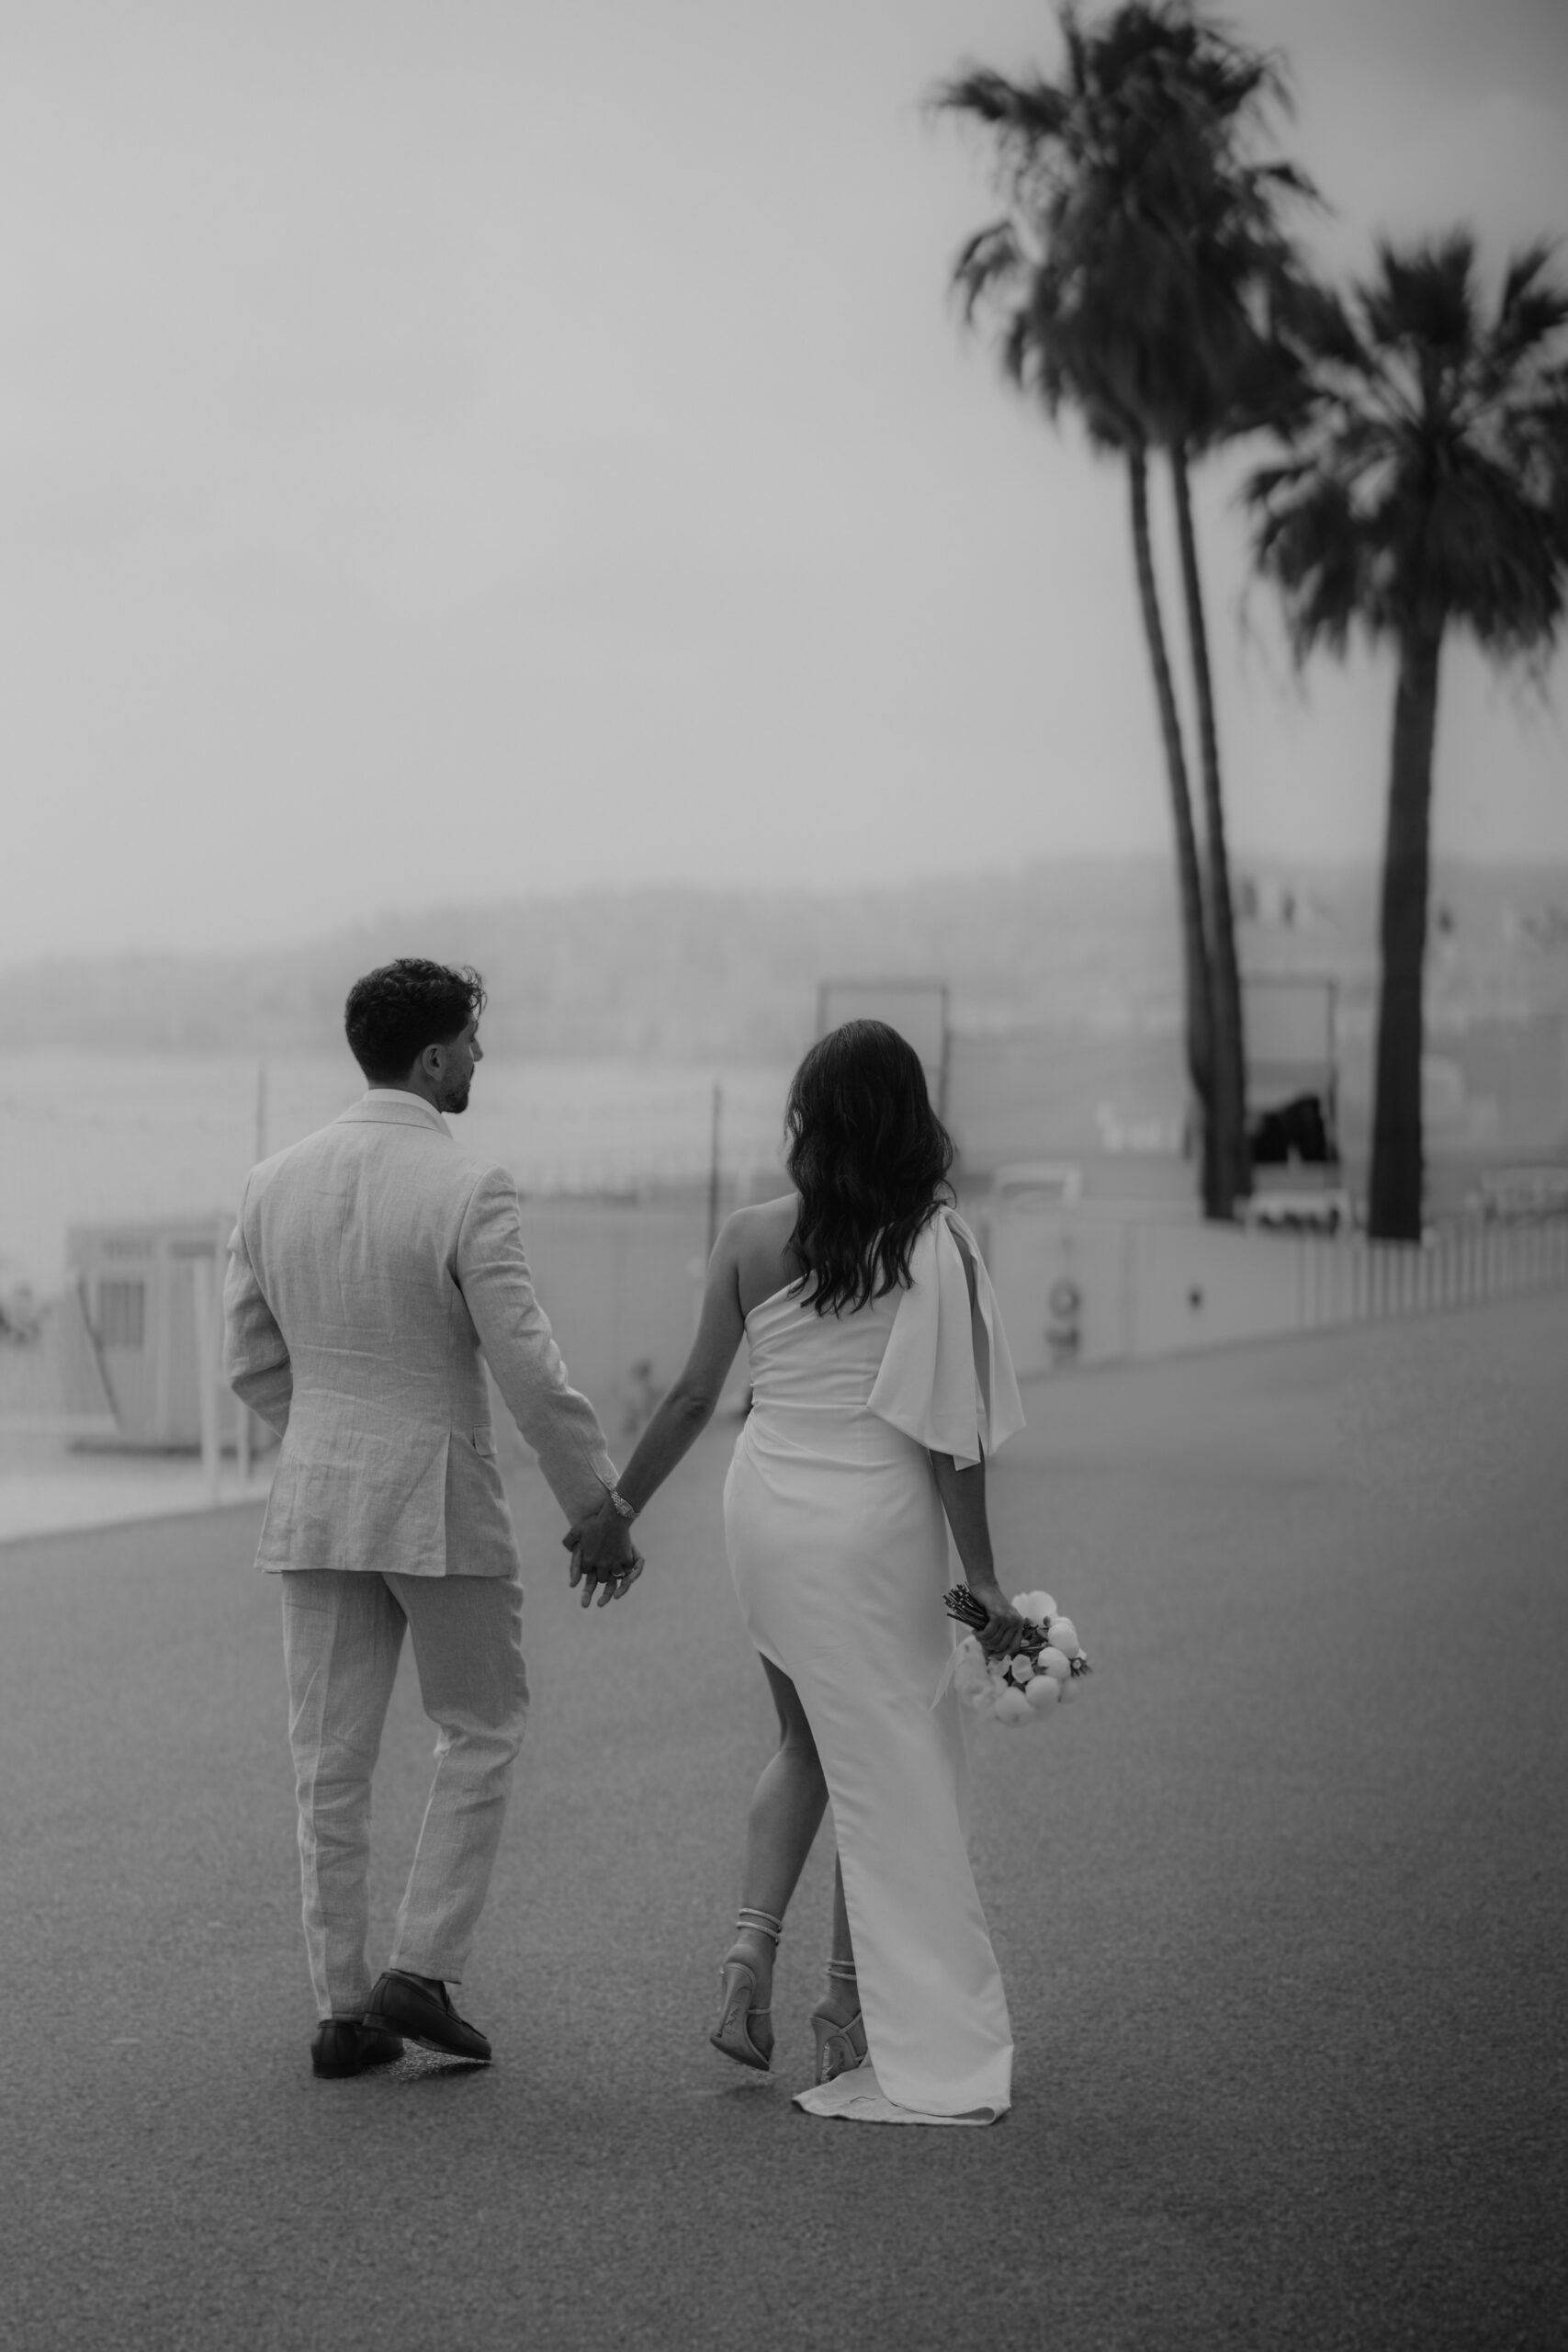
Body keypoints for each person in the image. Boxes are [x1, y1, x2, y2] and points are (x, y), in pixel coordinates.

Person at [568, 1019, 1028, 2124]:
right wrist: (985, 1580)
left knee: (805, 1741)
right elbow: (952, 1436)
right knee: (883, 1754)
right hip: (877, 1520)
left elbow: (693, 1396)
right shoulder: (936, 1243)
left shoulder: (747, 1236)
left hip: (770, 1507)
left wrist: (616, 1511)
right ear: (910, 1119)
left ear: (808, 1118)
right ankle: (845, 2011)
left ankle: (747, 1955)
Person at [222, 957, 643, 2080]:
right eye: (472, 1040)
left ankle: (341, 2012)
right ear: (433, 1056)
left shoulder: (269, 1183)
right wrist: (595, 1503)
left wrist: (330, 1442)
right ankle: (421, 1965)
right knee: (482, 1724)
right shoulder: (467, 1186)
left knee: (328, 1761)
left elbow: (249, 1364)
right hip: (438, 1497)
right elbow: (529, 1368)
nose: (481, 1057)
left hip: (318, 1498)